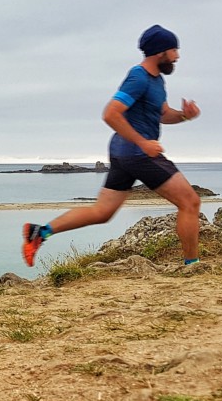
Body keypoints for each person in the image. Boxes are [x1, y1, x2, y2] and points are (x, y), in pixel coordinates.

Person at [22, 24, 202, 268]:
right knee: (190, 202)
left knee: (102, 212)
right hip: (138, 153)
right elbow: (110, 113)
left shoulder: (157, 81)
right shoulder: (138, 77)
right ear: (160, 52)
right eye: (174, 50)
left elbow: (163, 113)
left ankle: (39, 233)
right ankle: (193, 265)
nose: (177, 56)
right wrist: (143, 143)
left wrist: (184, 115)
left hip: (123, 153)